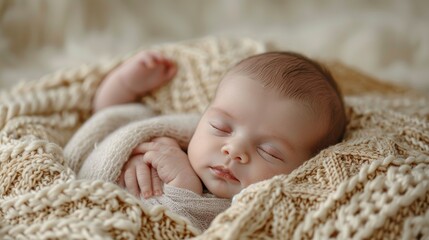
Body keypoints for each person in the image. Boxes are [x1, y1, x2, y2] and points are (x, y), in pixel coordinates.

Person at [91, 50, 347, 225]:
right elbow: (108, 118)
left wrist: (183, 187)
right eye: (221, 127)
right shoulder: (168, 137)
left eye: (269, 152)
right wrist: (125, 86)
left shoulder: (249, 214)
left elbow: (170, 230)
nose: (234, 149)